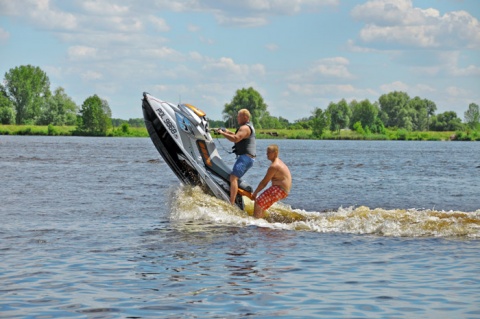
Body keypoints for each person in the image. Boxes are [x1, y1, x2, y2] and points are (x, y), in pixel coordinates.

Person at [215, 109, 256, 205]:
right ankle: (236, 196)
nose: (237, 118)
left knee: (233, 178)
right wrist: (227, 131)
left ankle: (231, 203)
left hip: (245, 158)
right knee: (233, 177)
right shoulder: (246, 128)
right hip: (247, 158)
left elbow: (236, 138)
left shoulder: (245, 128)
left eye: (239, 116)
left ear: (245, 117)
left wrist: (222, 133)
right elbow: (236, 135)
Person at [252, 144, 292, 219]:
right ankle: (260, 220)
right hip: (283, 191)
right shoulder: (279, 162)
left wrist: (255, 193)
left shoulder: (274, 166)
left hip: (279, 189)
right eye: (267, 152)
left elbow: (264, 182)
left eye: (269, 152)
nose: (267, 154)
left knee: (258, 202)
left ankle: (256, 221)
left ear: (275, 153)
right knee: (262, 205)